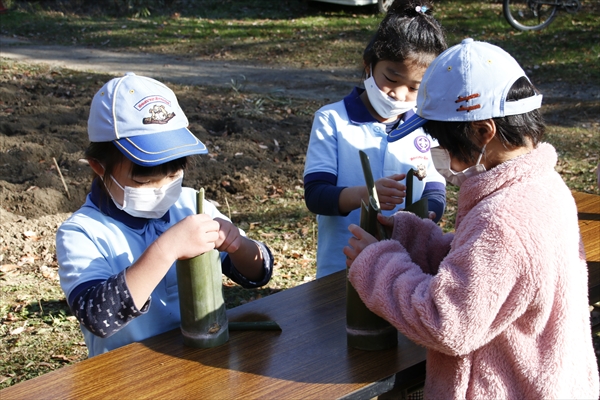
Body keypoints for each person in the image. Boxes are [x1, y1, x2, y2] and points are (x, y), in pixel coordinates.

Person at [344, 38, 599, 399]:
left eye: (444, 143)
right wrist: (416, 239)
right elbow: (488, 271)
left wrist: (378, 264)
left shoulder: (502, 219)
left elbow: (446, 322)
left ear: (482, 132)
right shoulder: (541, 185)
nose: (441, 156)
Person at [56, 73, 273, 357]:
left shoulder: (190, 204)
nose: (162, 189)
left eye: (173, 175)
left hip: (203, 361)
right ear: (98, 166)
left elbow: (259, 273)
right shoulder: (83, 232)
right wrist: (168, 248)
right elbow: (99, 317)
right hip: (131, 377)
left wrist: (238, 245)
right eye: (144, 182)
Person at [303, 0, 448, 278]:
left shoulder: (427, 126)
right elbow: (317, 195)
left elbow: (434, 191)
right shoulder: (332, 120)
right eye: (391, 79)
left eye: (414, 88)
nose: (399, 94)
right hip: (341, 268)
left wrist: (425, 217)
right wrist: (367, 195)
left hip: (406, 267)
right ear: (368, 65)